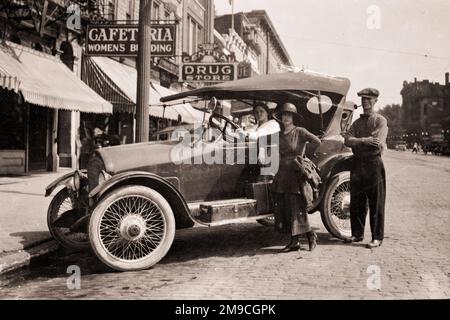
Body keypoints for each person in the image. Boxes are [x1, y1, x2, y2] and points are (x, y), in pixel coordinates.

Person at [270, 102, 321, 252]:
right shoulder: (279, 134)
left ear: (293, 117)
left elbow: (317, 142)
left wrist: (303, 156)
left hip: (295, 173)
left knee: (296, 208)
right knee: (286, 208)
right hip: (282, 173)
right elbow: (264, 140)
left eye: (289, 115)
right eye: (284, 115)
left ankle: (311, 235)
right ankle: (295, 242)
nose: (286, 118)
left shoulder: (300, 131)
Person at [343, 88, 388, 249]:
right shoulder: (357, 122)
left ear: (375, 101)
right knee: (357, 200)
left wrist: (358, 140)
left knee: (376, 201)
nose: (365, 102)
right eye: (363, 99)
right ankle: (357, 234)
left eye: (369, 99)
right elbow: (347, 140)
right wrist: (364, 140)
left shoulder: (380, 121)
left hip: (373, 163)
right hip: (358, 163)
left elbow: (376, 141)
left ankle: (377, 237)